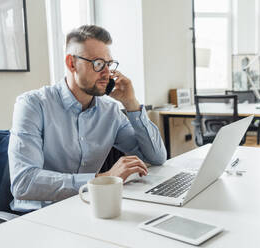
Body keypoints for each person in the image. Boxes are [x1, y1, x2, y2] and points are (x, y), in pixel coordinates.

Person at [8, 25, 167, 212]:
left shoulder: (110, 111)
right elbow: (24, 183)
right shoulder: (32, 105)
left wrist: (131, 103)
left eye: (109, 64)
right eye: (98, 64)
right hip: (40, 214)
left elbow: (156, 157)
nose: (107, 73)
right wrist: (100, 180)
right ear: (71, 63)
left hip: (88, 207)